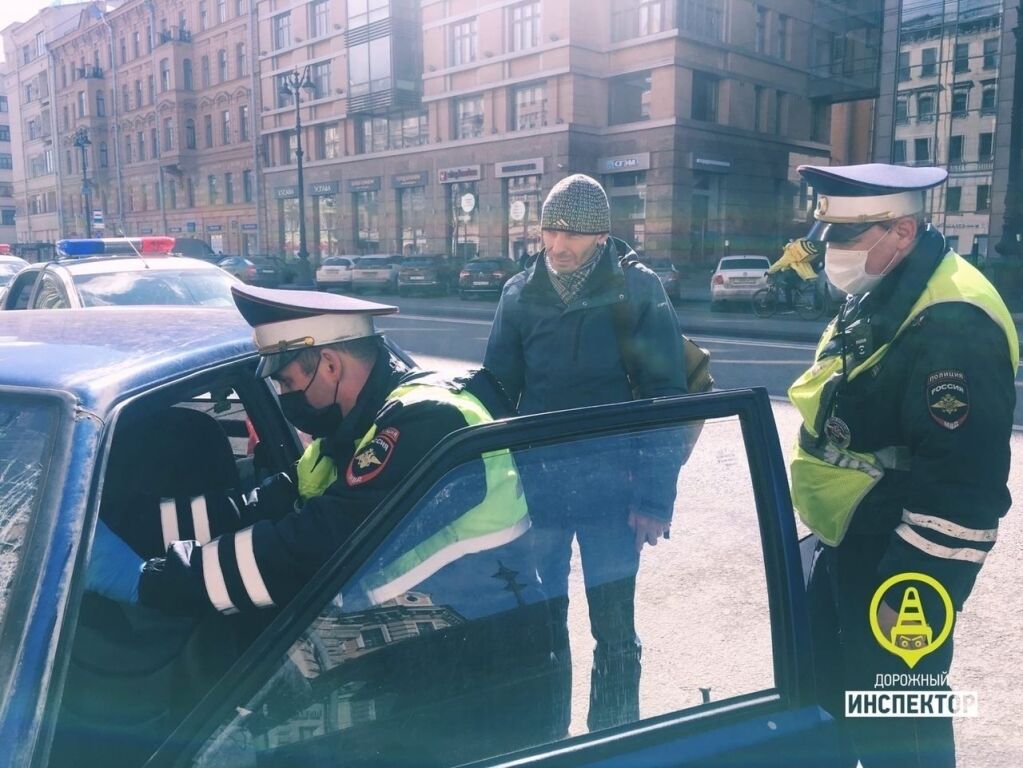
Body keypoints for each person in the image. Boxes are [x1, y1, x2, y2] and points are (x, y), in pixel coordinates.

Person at [789, 163, 1017, 768]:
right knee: (835, 711)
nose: (832, 251)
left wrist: (914, 588)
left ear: (904, 231)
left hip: (898, 563)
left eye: (847, 236)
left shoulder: (955, 320)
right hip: (850, 541)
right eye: (828, 235)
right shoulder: (886, 286)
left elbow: (964, 488)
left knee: (900, 734)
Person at [483, 173, 688, 734]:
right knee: (543, 629)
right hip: (539, 492)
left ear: (600, 236)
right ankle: (547, 741)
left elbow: (667, 398)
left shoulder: (637, 290)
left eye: (571, 234)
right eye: (549, 231)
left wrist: (655, 499)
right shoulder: (519, 293)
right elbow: (495, 394)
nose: (556, 245)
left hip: (613, 494)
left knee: (615, 630)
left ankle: (613, 741)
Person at [768, 237, 823, 306]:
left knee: (787, 289)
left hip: (796, 274)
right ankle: (797, 297)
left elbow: (780, 263)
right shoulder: (796, 248)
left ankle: (790, 307)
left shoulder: (789, 252)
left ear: (784, 246)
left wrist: (769, 271)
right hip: (804, 274)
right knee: (792, 286)